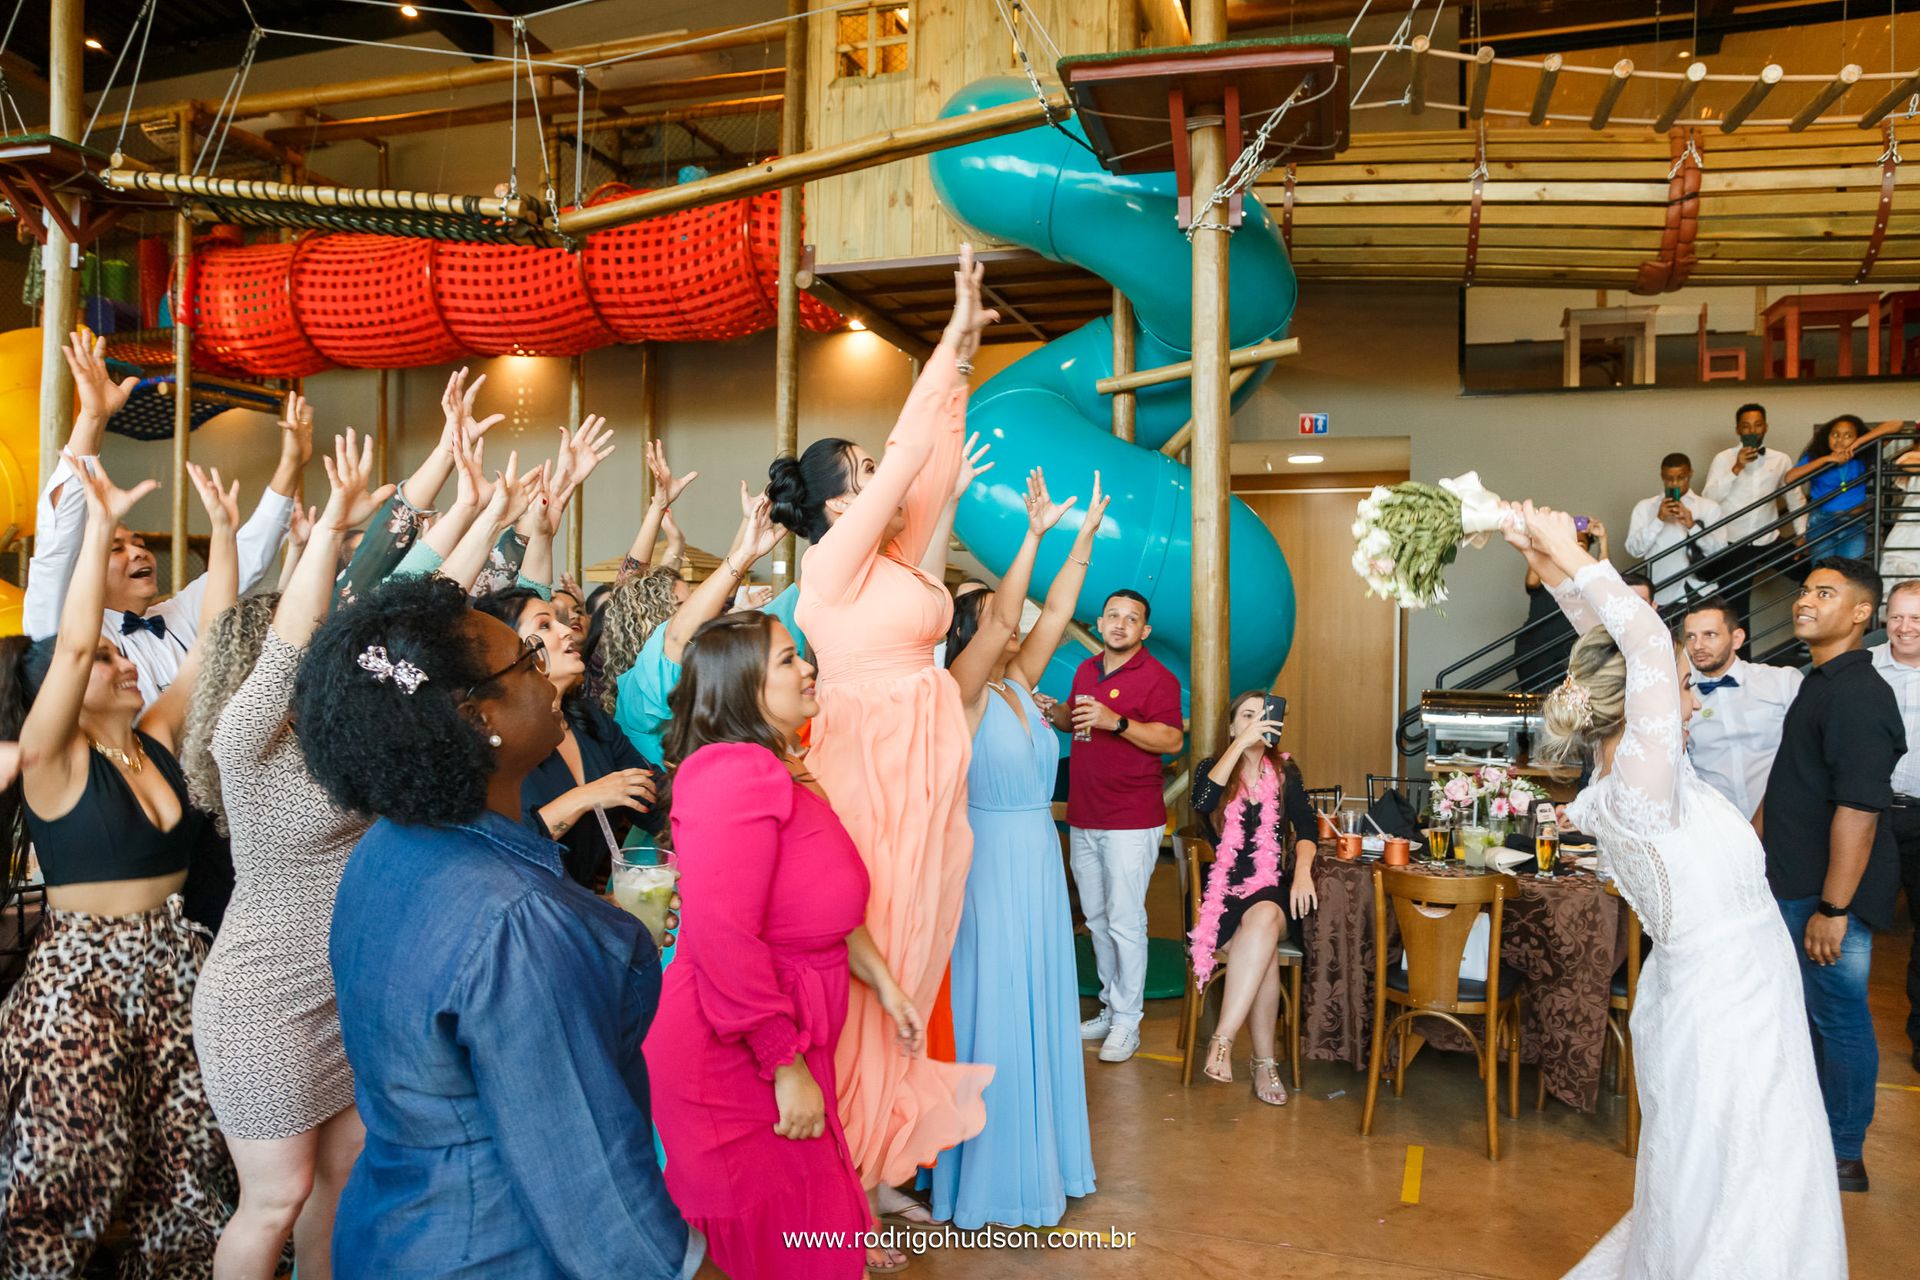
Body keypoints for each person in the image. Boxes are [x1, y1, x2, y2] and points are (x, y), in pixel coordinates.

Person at [297, 574, 695, 1279]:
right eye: (528, 660)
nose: (551, 675)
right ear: (475, 713)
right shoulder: (515, 921)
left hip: (393, 1227)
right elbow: (594, 1197)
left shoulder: (388, 848)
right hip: (492, 1249)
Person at [1499, 500, 1845, 1279]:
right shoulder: (1642, 786)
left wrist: (1550, 562)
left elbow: (1612, 646)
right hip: (1723, 1006)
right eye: (1683, 688)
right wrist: (1568, 550)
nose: (1690, 699)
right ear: (1645, 708)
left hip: (1734, 994)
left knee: (1740, 1173)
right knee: (1744, 1178)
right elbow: (1647, 642)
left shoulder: (1632, 774)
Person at [766, 245, 996, 1212]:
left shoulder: (896, 566)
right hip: (868, 770)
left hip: (926, 771)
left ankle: (872, 1152)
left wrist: (961, 379)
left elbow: (928, 485)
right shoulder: (830, 569)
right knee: (866, 964)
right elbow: (910, 459)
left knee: (906, 958)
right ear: (830, 502)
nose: (878, 475)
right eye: (858, 471)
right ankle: (841, 1174)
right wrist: (940, 347)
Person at [0, 454, 240, 1275]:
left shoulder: (156, 743)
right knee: (66, 1184)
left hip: (177, 968)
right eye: (108, 661)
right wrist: (97, 520)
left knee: (187, 1176)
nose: (123, 661)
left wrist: (230, 538)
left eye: (120, 654)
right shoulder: (50, 760)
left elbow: (212, 638)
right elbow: (68, 649)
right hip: (82, 983)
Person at [648, 612, 925, 1279]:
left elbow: (812, 903)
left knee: (816, 1236)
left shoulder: (780, 765)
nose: (807, 669)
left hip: (790, 1030)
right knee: (797, 1244)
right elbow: (722, 936)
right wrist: (784, 1064)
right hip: (738, 1050)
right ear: (741, 685)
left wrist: (885, 985)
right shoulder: (731, 773)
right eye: (785, 660)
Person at [184, 430, 391, 1280]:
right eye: (293, 646)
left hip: (337, 990)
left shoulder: (339, 742)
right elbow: (300, 630)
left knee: (339, 1179)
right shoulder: (242, 739)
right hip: (260, 999)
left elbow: (380, 613)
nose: (313, 648)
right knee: (274, 1198)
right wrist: (332, 522)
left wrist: (483, 507)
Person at [929, 467, 1101, 1229]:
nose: (1008, 623)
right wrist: (1029, 535)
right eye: (990, 617)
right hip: (990, 865)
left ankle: (1045, 1163)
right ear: (972, 633)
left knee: (1037, 999)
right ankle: (994, 1177)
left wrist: (1083, 540)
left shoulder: (1018, 685)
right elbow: (1008, 618)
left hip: (1036, 857)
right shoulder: (958, 691)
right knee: (994, 1004)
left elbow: (1055, 611)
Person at [26, 331, 306, 706]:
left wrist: (290, 465)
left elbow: (245, 559)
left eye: (140, 544)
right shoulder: (65, 627)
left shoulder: (177, 614)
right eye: (117, 548)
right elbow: (57, 544)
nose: (139, 553)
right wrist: (92, 418)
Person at [1758, 556, 1907, 1194]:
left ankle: (1843, 1152)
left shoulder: (1859, 694)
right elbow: (1793, 781)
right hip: (1793, 883)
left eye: (1825, 592)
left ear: (1861, 613)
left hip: (1827, 896)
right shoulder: (1818, 679)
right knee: (1811, 1015)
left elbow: (1860, 808)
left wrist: (1835, 909)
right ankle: (1813, 1131)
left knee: (1839, 1018)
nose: (1804, 601)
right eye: (1803, 591)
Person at [1044, 587, 1185, 1064]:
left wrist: (1117, 722)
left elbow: (1171, 739)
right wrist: (1057, 713)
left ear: (1144, 631)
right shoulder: (1085, 670)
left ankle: (1128, 1021)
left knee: (1126, 921)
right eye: (1113, 616)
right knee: (1099, 920)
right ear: (1100, 624)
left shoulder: (1158, 678)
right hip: (1085, 814)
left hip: (1131, 819)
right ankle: (1110, 1006)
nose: (1120, 624)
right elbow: (1076, 723)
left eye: (1132, 618)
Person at [472, 586, 664, 890]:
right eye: (545, 625)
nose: (567, 630)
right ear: (508, 651)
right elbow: (495, 850)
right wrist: (583, 798)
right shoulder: (493, 741)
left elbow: (652, 798)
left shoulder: (590, 721)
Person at [1187, 692, 1320, 1108]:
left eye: (1264, 717)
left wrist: (1301, 873)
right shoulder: (1214, 769)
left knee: (1263, 920)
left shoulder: (1285, 771)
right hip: (1220, 897)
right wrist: (1240, 746)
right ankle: (1264, 1063)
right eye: (1247, 716)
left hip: (1270, 890)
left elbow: (1308, 829)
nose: (1256, 722)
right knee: (1259, 949)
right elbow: (1201, 802)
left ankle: (1223, 1040)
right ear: (1231, 726)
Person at [1679, 597, 1802, 820]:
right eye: (1691, 637)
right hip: (1718, 827)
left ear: (1737, 638)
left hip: (1784, 819)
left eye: (1710, 635)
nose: (1697, 646)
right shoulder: (1683, 699)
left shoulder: (1782, 681)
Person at [1870, 579, 1920, 1076]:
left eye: (1917, 619)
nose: (1904, 628)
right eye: (1898, 615)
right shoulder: (1866, 670)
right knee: (1853, 920)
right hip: (1874, 813)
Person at [1700, 403, 1795, 636]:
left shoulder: (1781, 459)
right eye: (1746, 426)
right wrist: (1736, 467)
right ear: (1738, 430)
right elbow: (1708, 499)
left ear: (1766, 427)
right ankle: (1742, 665)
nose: (1752, 430)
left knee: (1813, 572)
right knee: (1736, 608)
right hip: (1734, 542)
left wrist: (1802, 534)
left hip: (1769, 538)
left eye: (1757, 425)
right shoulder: (1723, 458)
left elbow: (1795, 497)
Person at [1784, 415, 1903, 562]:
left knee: (1849, 571)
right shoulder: (1815, 456)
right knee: (1824, 569)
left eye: (1848, 435)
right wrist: (1826, 459)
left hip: (1854, 521)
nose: (1840, 439)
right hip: (1822, 521)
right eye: (1835, 434)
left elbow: (1897, 423)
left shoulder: (1864, 452)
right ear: (1827, 436)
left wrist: (1859, 442)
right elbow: (1790, 478)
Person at [1515, 518, 1609, 692]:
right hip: (1537, 644)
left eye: (1581, 543)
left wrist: (1603, 540)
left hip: (1572, 645)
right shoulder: (1547, 565)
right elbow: (1531, 582)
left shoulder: (1588, 575)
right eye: (1572, 542)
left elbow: (1604, 581)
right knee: (1535, 696)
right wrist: (1545, 544)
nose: (1576, 546)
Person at [1623, 452, 1726, 607]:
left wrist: (1692, 526)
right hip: (1662, 592)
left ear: (1690, 474)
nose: (1675, 483)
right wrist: (1658, 520)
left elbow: (1720, 550)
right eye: (1669, 478)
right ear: (1662, 476)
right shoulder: (1645, 508)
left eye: (1681, 477)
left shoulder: (1708, 508)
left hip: (1702, 589)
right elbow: (1634, 550)